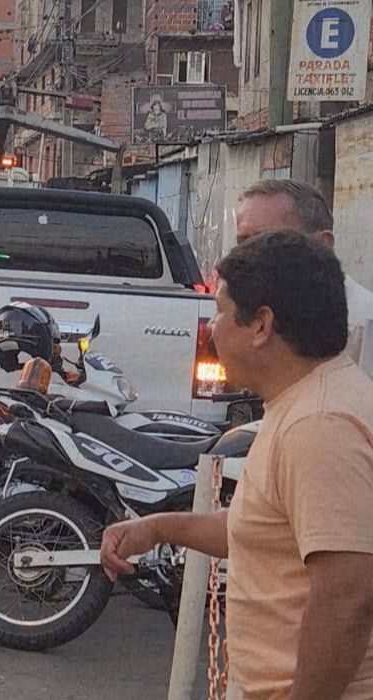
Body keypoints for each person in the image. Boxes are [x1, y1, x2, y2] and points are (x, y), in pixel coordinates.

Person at [100, 231, 373, 699]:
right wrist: (162, 526)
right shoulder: (300, 404)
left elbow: (347, 594)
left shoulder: (320, 423)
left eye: (222, 312)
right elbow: (267, 529)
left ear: (261, 326)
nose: (212, 329)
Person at [234, 179, 373, 375]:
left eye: (269, 241)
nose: (249, 255)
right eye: (243, 243)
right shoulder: (248, 319)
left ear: (322, 244)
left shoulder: (362, 326)